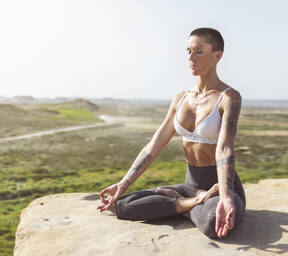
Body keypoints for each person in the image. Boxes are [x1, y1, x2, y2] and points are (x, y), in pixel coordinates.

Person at [97, 27, 245, 239]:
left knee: (214, 221)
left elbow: (224, 148)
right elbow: (154, 145)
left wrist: (226, 195)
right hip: (189, 186)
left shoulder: (229, 98)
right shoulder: (181, 99)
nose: (191, 58)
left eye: (199, 51)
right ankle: (192, 203)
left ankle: (179, 206)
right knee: (122, 205)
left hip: (219, 186)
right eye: (188, 51)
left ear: (217, 55)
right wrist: (123, 183)